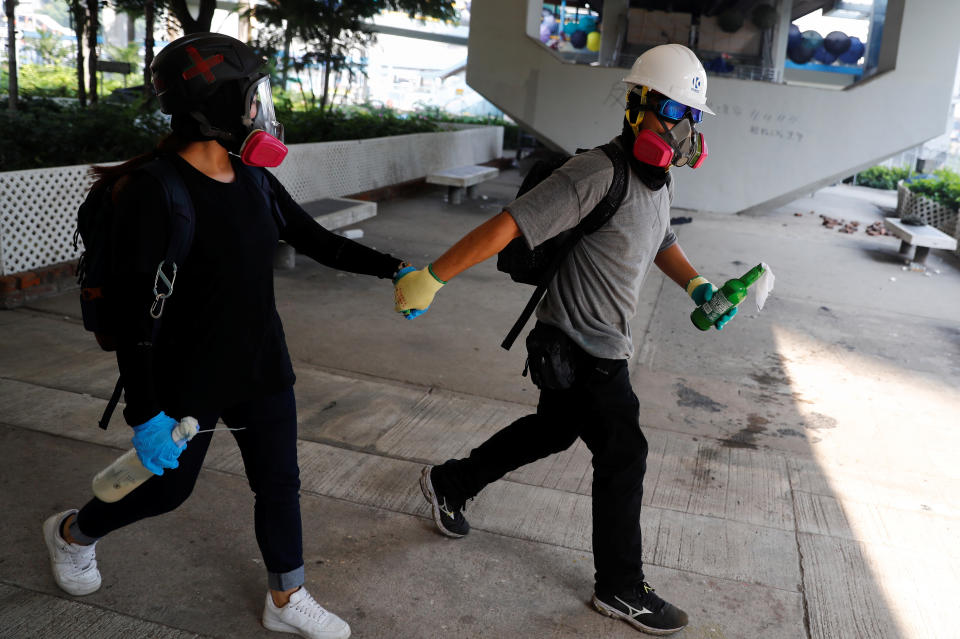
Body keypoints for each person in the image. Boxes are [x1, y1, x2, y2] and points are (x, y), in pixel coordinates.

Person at [42, 33, 410, 639]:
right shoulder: (152, 191)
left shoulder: (252, 176)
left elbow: (313, 238)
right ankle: (70, 534)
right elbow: (136, 316)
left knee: (279, 482)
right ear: (215, 104)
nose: (257, 109)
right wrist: (145, 411)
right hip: (189, 373)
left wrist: (397, 269)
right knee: (167, 492)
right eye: (250, 95)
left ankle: (286, 596)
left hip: (262, 361)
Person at [394, 44, 736, 636]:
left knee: (552, 430)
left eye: (694, 116)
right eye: (679, 113)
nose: (688, 130)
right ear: (642, 108)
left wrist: (699, 286)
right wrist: (433, 277)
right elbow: (510, 225)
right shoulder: (596, 173)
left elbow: (656, 241)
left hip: (595, 342)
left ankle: (449, 481)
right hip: (581, 345)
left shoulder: (655, 181)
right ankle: (621, 587)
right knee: (624, 453)